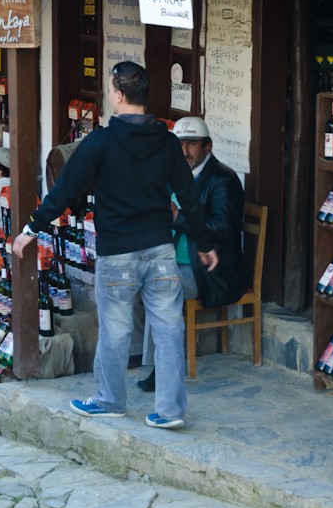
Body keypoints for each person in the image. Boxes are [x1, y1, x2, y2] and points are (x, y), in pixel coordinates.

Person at [13, 61, 217, 430]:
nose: (109, 94)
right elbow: (190, 198)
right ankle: (170, 411)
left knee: (116, 330)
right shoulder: (168, 143)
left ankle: (110, 400)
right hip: (160, 252)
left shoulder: (100, 141)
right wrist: (203, 243)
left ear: (119, 95)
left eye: (110, 88)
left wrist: (32, 228)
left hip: (117, 254)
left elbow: (64, 191)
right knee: (169, 329)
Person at [138, 117, 247, 392]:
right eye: (179, 144)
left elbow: (222, 229)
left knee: (158, 286)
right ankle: (148, 359)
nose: (184, 151)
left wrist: (177, 216)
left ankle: (161, 368)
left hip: (211, 271)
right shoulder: (175, 174)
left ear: (207, 147)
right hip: (174, 259)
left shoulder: (224, 179)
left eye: (192, 144)